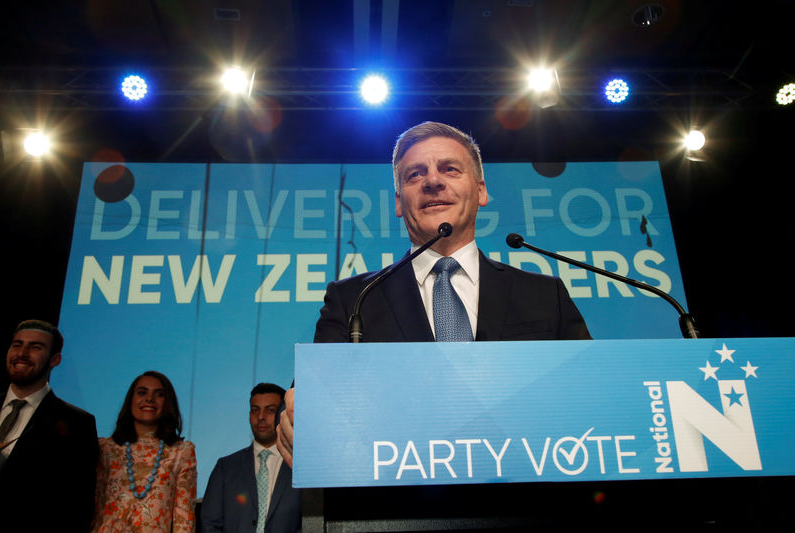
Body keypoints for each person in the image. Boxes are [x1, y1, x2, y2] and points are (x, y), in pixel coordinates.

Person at [277, 121, 591, 466]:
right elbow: (309, 408)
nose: (432, 181)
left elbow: (590, 395)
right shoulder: (354, 299)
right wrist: (301, 421)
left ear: (481, 190)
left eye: (449, 169)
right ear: (399, 202)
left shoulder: (546, 296)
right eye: (414, 175)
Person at [0, 319, 99, 532]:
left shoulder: (77, 424)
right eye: (17, 345)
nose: (22, 353)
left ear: (55, 359)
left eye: (35, 347)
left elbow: (77, 506)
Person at [91, 371, 197, 533]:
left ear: (168, 403)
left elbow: (184, 519)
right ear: (130, 401)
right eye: (142, 392)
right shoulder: (105, 449)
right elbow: (93, 508)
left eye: (159, 394)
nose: (149, 399)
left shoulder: (181, 452)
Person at [201, 383, 300, 533]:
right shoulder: (226, 467)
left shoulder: (299, 466)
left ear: (283, 413)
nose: (261, 417)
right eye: (255, 410)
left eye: (270, 410)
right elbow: (209, 524)